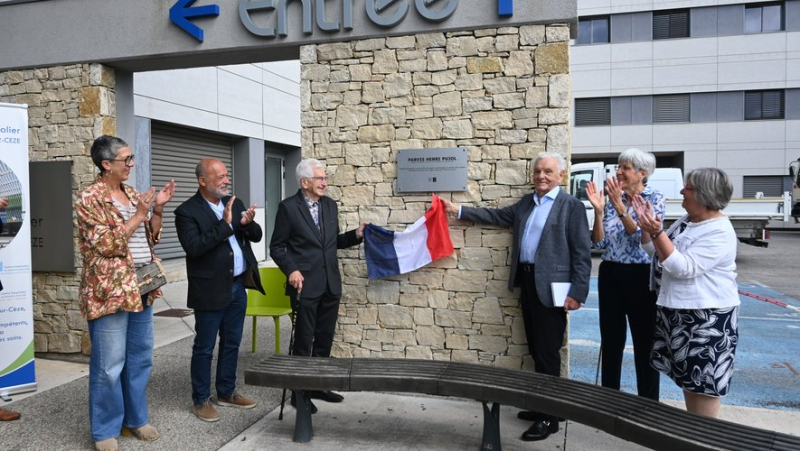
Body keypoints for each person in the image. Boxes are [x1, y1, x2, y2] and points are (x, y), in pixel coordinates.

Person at [441, 152, 591, 442]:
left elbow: (582, 253)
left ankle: (550, 419)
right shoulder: (527, 202)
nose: (541, 176)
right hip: (527, 282)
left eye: (548, 171)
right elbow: (498, 216)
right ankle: (546, 405)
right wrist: (457, 210)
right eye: (537, 171)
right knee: (535, 349)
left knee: (547, 353)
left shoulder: (570, 206)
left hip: (553, 289)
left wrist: (577, 292)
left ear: (561, 175)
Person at [76, 135, 176, 451]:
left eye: (131, 158)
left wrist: (156, 210)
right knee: (109, 364)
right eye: (126, 160)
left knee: (139, 358)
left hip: (140, 289)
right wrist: (137, 215)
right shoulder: (89, 199)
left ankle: (135, 420)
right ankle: (104, 429)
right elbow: (105, 245)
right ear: (106, 164)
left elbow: (149, 238)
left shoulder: (132, 194)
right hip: (108, 292)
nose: (131, 164)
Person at [632, 168, 739, 418]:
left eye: (687, 187)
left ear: (704, 194)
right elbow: (654, 251)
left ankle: (702, 442)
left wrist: (657, 232)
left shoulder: (719, 230)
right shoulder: (688, 221)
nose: (681, 191)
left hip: (706, 322)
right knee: (690, 385)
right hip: (680, 317)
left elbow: (684, 268)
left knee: (703, 391)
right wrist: (647, 225)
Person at [269, 158, 366, 413]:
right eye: (319, 178)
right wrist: (291, 270)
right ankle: (299, 394)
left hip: (330, 284)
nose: (324, 182)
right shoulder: (288, 208)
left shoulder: (330, 206)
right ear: (304, 182)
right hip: (304, 286)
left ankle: (318, 385)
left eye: (324, 178)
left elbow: (331, 243)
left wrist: (356, 235)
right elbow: (277, 247)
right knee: (303, 341)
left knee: (324, 339)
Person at [175, 158, 265, 422]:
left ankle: (226, 392)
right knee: (204, 347)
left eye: (227, 175)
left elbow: (256, 236)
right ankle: (201, 399)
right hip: (210, 289)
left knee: (232, 343)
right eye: (220, 177)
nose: (227, 180)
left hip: (238, 285)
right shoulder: (186, 212)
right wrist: (225, 226)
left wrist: (247, 223)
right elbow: (194, 247)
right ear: (203, 181)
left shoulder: (234, 203)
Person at [584, 148, 663, 401]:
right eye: (618, 167)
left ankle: (648, 404)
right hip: (610, 274)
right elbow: (598, 243)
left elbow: (638, 234)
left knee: (644, 343)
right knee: (611, 339)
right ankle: (609, 399)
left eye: (625, 167)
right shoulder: (610, 199)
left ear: (643, 173)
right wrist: (598, 211)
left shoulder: (654, 198)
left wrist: (620, 206)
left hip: (641, 276)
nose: (618, 172)